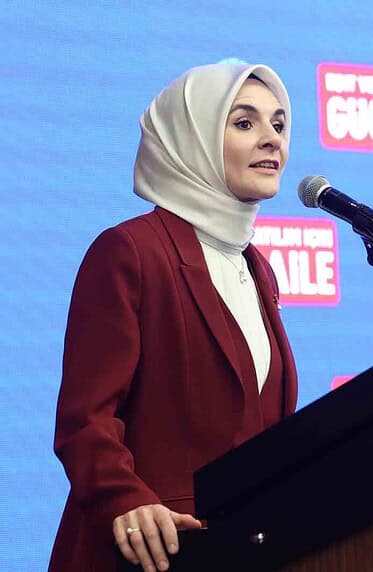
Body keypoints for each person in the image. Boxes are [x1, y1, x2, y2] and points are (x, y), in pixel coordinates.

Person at [48, 63, 298, 572]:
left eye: (278, 124)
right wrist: (125, 500)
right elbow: (86, 420)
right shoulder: (131, 252)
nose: (272, 139)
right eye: (244, 123)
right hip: (148, 553)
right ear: (192, 138)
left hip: (245, 548)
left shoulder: (258, 269)